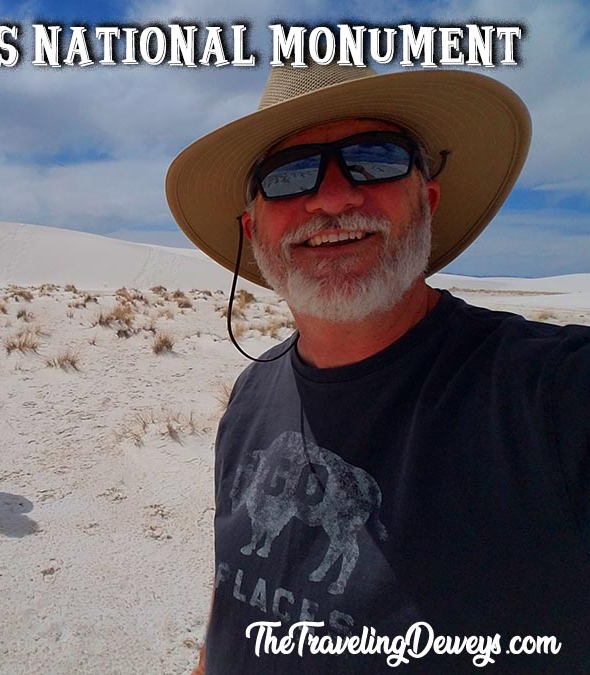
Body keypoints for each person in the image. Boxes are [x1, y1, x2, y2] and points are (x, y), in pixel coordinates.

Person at [166, 63, 590, 673]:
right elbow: (234, 584)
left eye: (375, 158)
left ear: (428, 198)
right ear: (251, 228)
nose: (334, 197)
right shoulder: (249, 396)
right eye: (287, 175)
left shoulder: (549, 397)